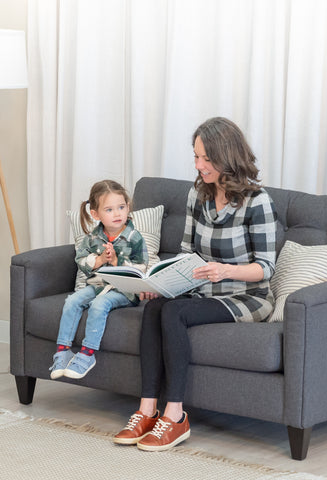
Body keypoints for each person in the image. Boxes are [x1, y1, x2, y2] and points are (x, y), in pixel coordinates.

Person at [113, 117, 277, 451]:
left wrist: (226, 271)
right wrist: (158, 282)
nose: (199, 165)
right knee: (156, 306)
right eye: (196, 157)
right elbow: (187, 253)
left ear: (226, 156)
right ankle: (146, 410)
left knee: (174, 315)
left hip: (246, 296)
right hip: (204, 289)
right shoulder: (197, 195)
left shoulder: (257, 202)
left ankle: (175, 417)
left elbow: (265, 268)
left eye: (206, 158)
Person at [49, 180, 148, 380]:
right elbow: (82, 261)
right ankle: (63, 350)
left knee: (99, 304)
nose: (118, 213)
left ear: (128, 207)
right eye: (110, 209)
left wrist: (117, 262)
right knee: (73, 301)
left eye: (121, 207)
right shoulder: (92, 238)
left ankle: (87, 354)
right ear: (96, 214)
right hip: (96, 285)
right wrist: (101, 260)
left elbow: (141, 269)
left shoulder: (135, 237)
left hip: (124, 291)